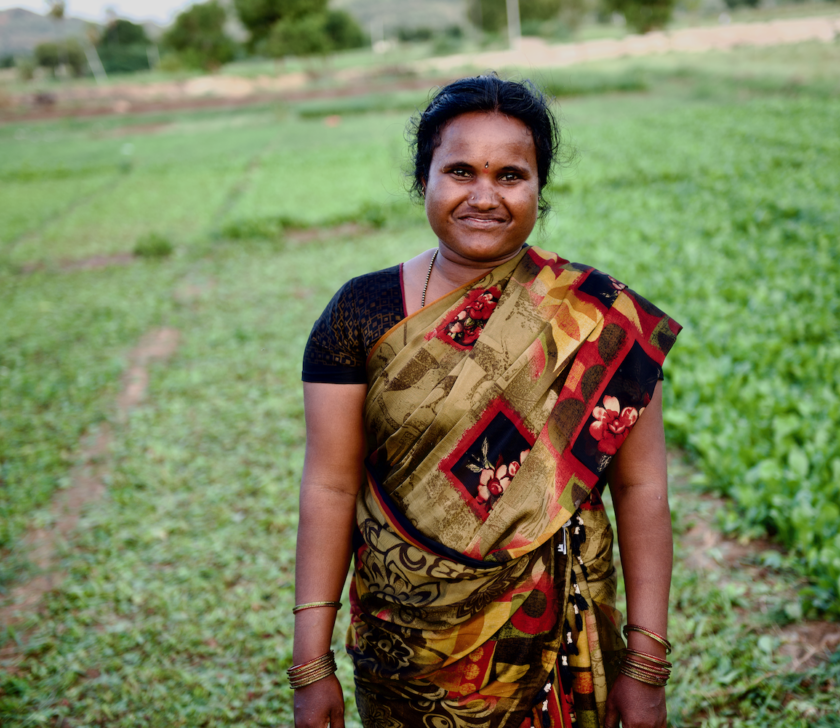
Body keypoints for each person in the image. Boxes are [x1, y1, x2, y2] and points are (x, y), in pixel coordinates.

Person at [291, 75, 681, 728]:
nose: (484, 197)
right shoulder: (359, 313)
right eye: (461, 171)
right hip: (404, 650)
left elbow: (643, 490)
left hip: (556, 640)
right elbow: (329, 485)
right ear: (425, 180)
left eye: (510, 175)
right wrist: (310, 665)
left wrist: (644, 668)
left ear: (538, 188)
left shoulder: (596, 320)